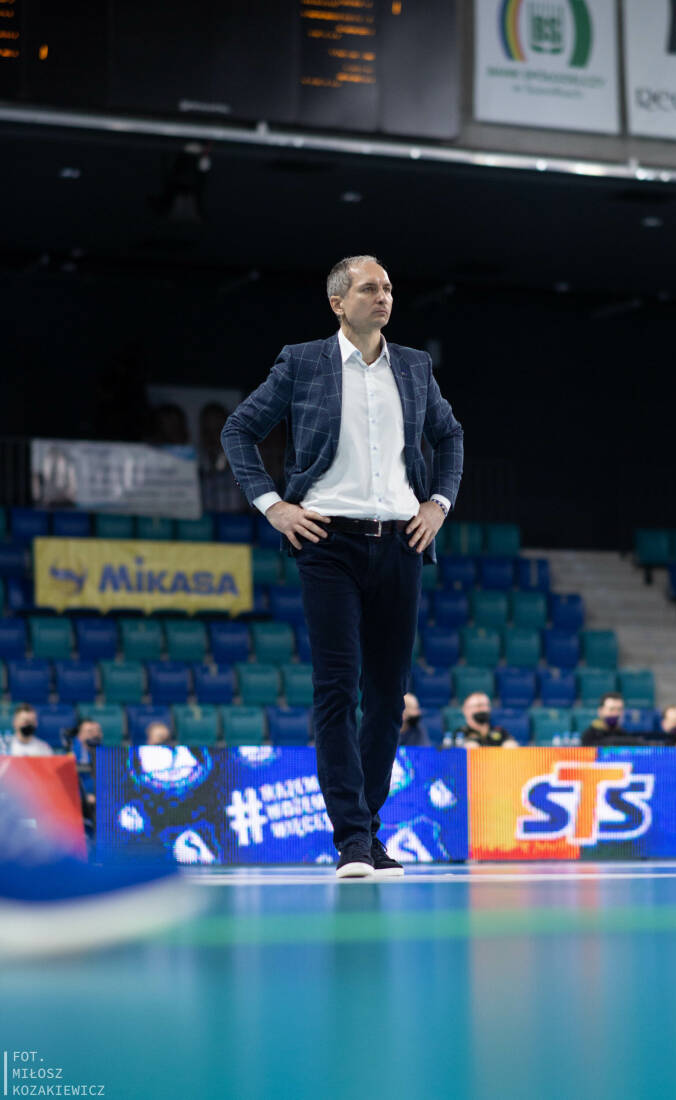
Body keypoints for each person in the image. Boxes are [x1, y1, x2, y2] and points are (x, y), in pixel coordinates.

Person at [221, 255, 463, 878]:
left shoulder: (415, 365)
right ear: (338, 303)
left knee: (388, 696)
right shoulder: (302, 362)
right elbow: (238, 430)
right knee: (337, 690)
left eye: (388, 288)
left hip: (403, 542)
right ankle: (351, 840)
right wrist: (273, 506)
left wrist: (438, 503)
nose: (383, 297)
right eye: (369, 288)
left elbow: (450, 436)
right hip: (328, 543)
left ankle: (370, 831)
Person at [447, 691, 518, 748]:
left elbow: (512, 744)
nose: (482, 709)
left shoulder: (500, 731)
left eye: (486, 705)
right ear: (465, 710)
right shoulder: (459, 734)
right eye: (478, 705)